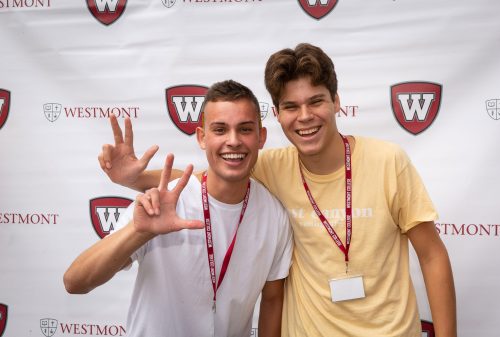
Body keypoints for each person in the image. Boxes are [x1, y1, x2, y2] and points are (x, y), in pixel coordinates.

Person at [97, 44, 457, 337]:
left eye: (316, 101)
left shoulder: (387, 161)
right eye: (290, 106)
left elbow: (431, 255)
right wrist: (133, 180)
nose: (304, 116)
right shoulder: (272, 166)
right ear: (278, 114)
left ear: (336, 102)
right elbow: (211, 172)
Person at [64, 80, 293, 337]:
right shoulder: (164, 201)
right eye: (220, 129)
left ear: (261, 137)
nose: (233, 141)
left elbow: (273, 300)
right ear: (202, 138)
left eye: (245, 129)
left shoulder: (274, 215)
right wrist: (140, 231)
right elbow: (75, 282)